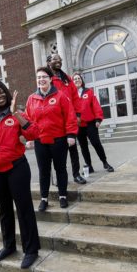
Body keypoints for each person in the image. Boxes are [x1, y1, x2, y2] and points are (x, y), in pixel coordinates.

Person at [0, 81, 41, 269]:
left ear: (7, 93)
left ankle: (31, 250)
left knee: (24, 209)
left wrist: (16, 114)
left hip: (16, 168)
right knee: (4, 210)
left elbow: (34, 133)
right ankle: (9, 246)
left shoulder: (16, 115)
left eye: (1, 92)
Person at [24, 67, 78, 211]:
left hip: (59, 140)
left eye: (44, 77)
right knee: (44, 171)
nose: (41, 80)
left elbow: (70, 116)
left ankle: (62, 196)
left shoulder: (60, 96)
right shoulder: (31, 99)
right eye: (38, 77)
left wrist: (71, 135)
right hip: (40, 141)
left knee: (60, 169)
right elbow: (28, 119)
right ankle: (44, 199)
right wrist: (29, 137)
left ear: (50, 79)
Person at [47, 54, 86, 184]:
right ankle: (59, 178)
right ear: (48, 62)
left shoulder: (67, 79)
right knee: (57, 153)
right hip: (55, 122)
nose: (58, 61)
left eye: (59, 59)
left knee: (73, 149)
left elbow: (75, 98)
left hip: (70, 121)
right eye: (54, 59)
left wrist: (78, 114)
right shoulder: (47, 79)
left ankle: (76, 174)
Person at [71, 73, 114, 173]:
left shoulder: (89, 92)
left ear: (81, 80)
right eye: (75, 79)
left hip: (90, 124)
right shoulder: (71, 95)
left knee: (96, 143)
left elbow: (95, 106)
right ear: (72, 82)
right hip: (78, 126)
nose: (77, 80)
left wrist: (98, 119)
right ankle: (89, 166)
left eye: (78, 78)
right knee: (83, 147)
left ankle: (105, 162)